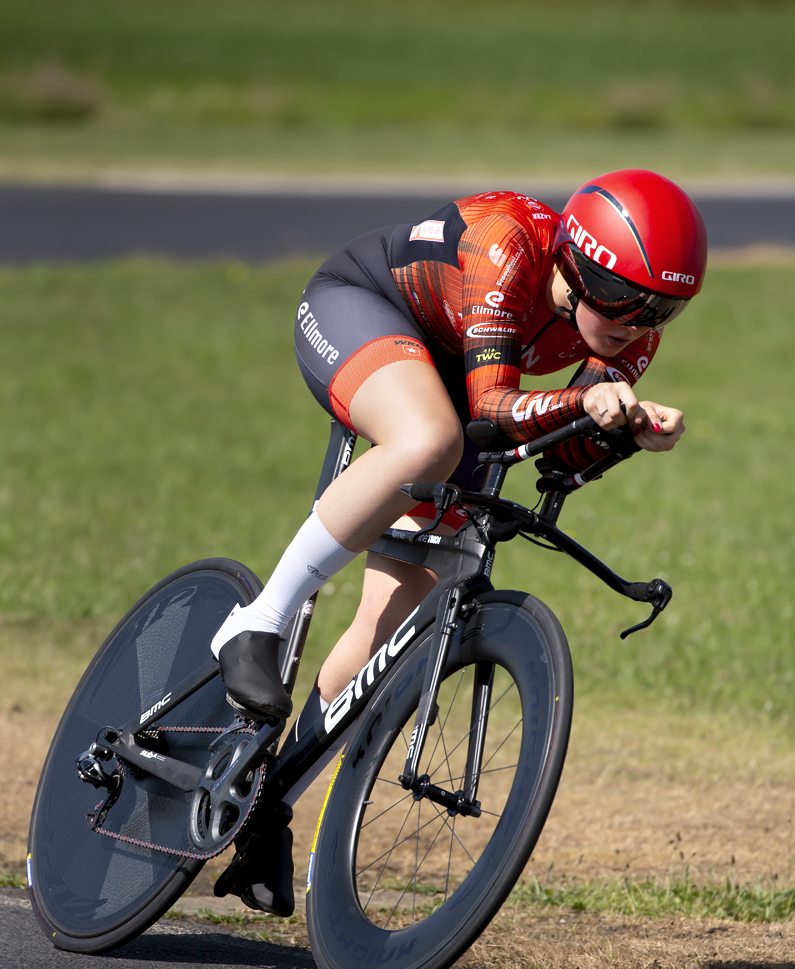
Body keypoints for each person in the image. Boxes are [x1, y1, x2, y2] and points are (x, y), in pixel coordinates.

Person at [210, 168, 707, 913]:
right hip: (364, 307)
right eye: (620, 294)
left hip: (464, 376)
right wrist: (585, 397)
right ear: (573, 258)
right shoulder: (507, 246)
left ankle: (264, 805)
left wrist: (624, 435)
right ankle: (259, 619)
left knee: (397, 620)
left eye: (663, 306)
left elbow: (554, 459)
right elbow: (495, 409)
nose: (636, 319)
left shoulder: (632, 341)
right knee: (429, 441)